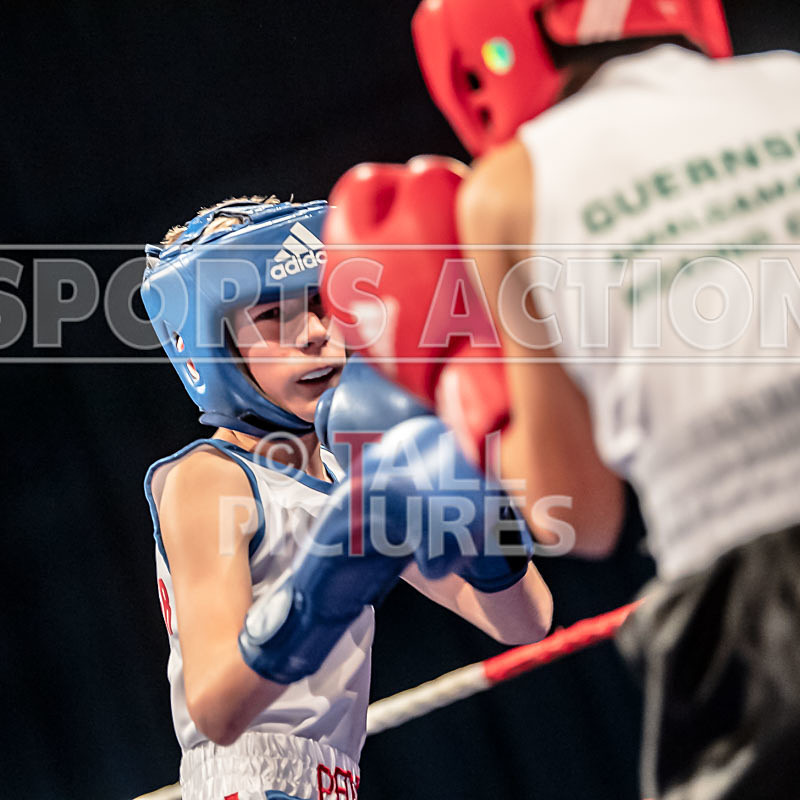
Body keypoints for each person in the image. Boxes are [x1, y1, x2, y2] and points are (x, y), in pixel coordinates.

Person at [320, 2, 800, 796]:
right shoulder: (786, 82)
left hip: (747, 597)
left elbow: (576, 510)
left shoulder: (510, 190)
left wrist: (461, 386)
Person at [141, 197, 552, 800]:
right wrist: (329, 582)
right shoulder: (210, 478)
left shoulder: (354, 470)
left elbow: (526, 621)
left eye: (320, 303)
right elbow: (214, 708)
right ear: (211, 347)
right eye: (273, 316)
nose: (313, 334)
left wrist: (480, 525)